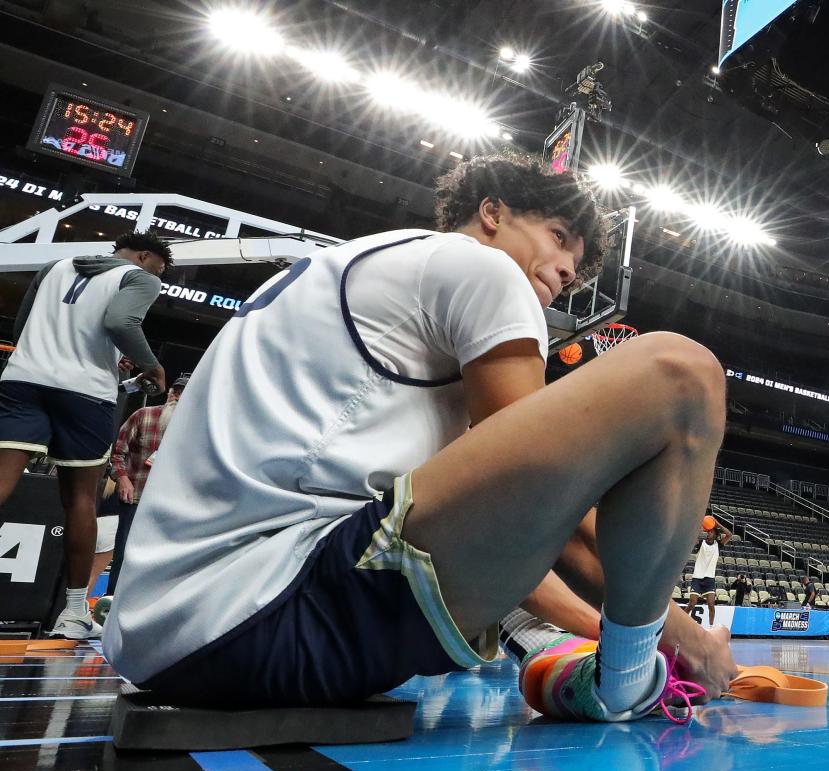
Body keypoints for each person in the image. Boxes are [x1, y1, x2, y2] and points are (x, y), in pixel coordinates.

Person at [103, 154, 737, 722]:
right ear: (492, 212)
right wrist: (684, 643)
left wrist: (605, 633)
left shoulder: (358, 265)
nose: (569, 269)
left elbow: (495, 541)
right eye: (559, 236)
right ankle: (626, 683)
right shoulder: (482, 269)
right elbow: (551, 514)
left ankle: (576, 658)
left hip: (172, 643)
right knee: (679, 375)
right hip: (268, 609)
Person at [0, 232, 170, 640]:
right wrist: (151, 366)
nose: (155, 278)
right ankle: (74, 614)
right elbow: (119, 321)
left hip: (23, 380)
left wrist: (109, 355)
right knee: (78, 498)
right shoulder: (140, 277)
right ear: (145, 257)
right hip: (84, 393)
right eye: (157, 269)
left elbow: (25, 327)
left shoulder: (54, 266)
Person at [104, 372, 189, 599]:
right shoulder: (143, 415)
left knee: (163, 556)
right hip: (136, 496)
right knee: (123, 553)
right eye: (175, 391)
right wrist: (122, 479)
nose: (177, 396)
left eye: (184, 393)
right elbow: (117, 452)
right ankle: (111, 602)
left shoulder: (196, 429)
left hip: (171, 503)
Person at [685, 520, 733, 627]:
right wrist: (701, 528)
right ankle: (680, 624)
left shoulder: (718, 545)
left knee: (711, 605)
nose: (708, 533)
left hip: (709, 579)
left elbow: (729, 534)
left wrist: (717, 523)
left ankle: (711, 627)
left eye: (711, 532)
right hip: (697, 578)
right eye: (708, 531)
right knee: (692, 603)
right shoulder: (701, 543)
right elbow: (692, 536)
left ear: (716, 534)